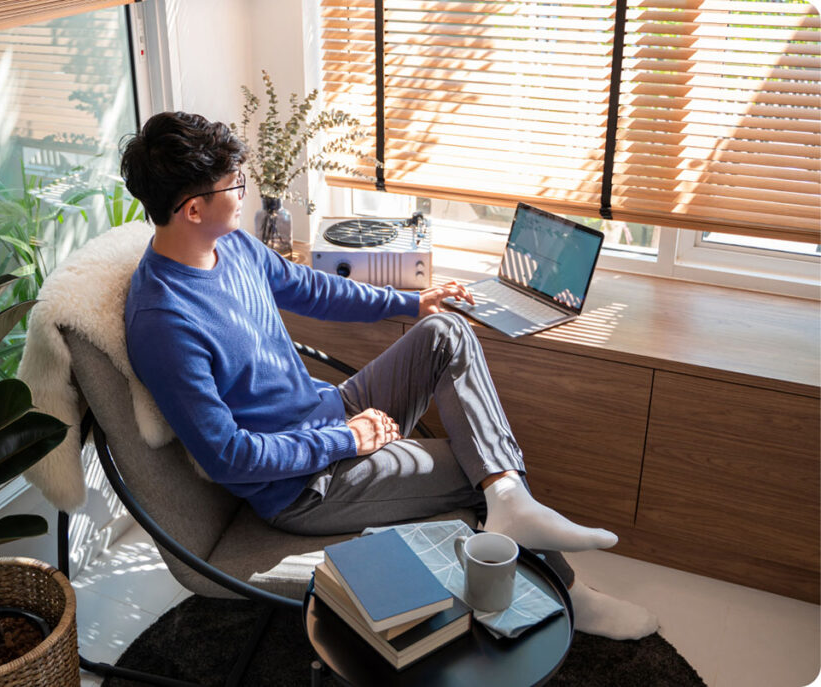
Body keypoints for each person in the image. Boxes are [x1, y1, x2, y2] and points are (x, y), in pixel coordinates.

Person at [121, 111, 657, 640]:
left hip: (333, 411)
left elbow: (311, 289)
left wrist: (410, 301)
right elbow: (230, 458)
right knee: (479, 475)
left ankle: (511, 504)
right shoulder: (164, 322)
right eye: (234, 184)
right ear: (193, 209)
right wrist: (345, 439)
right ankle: (571, 596)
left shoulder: (230, 245)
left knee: (446, 333)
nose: (245, 192)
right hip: (304, 484)